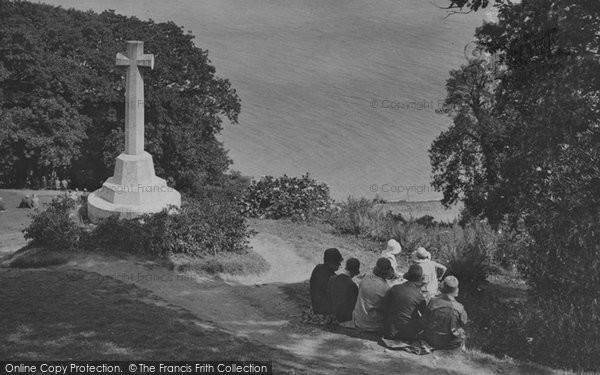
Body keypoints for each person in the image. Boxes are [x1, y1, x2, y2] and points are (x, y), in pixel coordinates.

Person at [383, 264, 427, 341]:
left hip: (388, 330)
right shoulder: (419, 297)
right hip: (405, 334)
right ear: (420, 280)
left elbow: (385, 306)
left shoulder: (394, 288)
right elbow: (425, 315)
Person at [423, 276, 468, 350]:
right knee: (461, 331)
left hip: (432, 340)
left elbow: (424, 320)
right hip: (451, 344)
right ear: (456, 290)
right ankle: (462, 349)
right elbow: (464, 323)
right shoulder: (460, 308)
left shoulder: (433, 302)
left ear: (442, 288)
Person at [353, 257, 395, 331]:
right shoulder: (385, 288)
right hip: (373, 325)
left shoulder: (365, 278)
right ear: (387, 273)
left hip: (358, 320)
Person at [309, 248, 343, 316]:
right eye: (338, 262)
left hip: (315, 307)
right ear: (333, 262)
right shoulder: (333, 278)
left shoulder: (318, 268)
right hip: (325, 312)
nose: (340, 264)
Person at [327, 258, 360, 323]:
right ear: (355, 272)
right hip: (344, 319)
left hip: (331, 314)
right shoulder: (352, 286)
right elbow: (354, 305)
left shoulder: (332, 278)